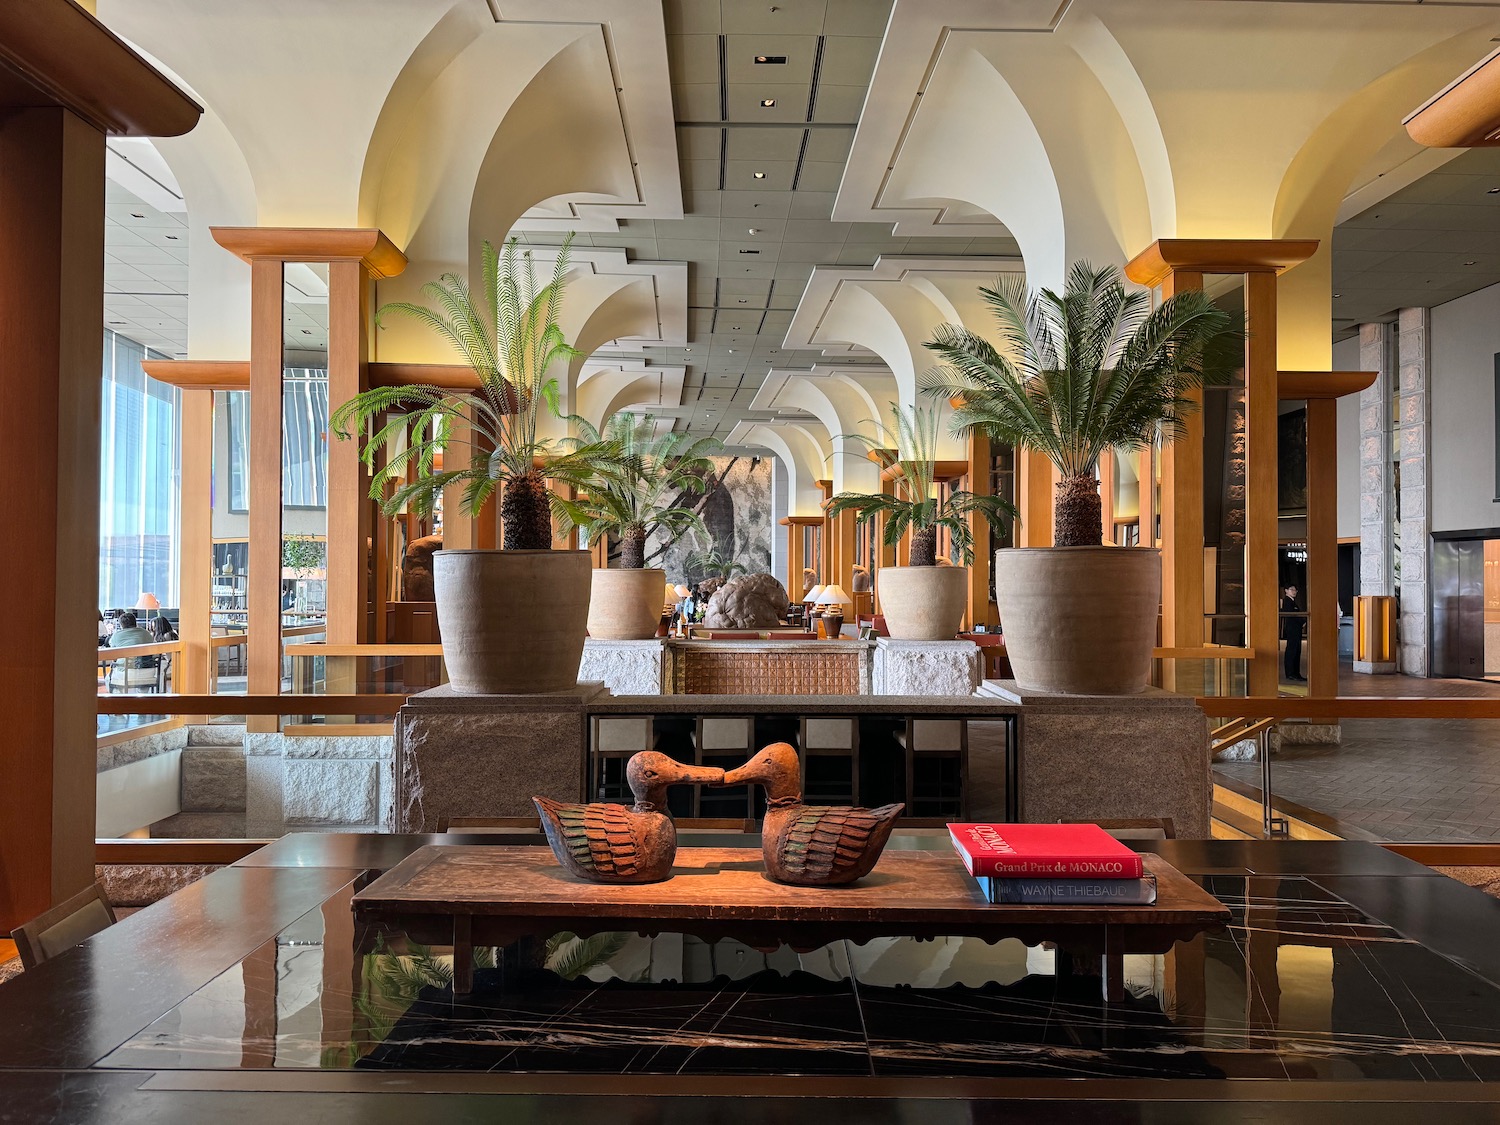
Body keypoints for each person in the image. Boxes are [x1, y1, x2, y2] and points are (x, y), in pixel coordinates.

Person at [1281, 583, 1305, 682]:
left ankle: (1296, 673)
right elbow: (1293, 615)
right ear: (1286, 591)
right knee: (1292, 651)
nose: (1294, 592)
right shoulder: (1287, 602)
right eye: (1291, 590)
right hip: (1292, 630)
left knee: (1296, 651)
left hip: (1296, 629)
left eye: (1295, 590)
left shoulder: (1293, 602)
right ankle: (1291, 673)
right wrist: (1302, 622)